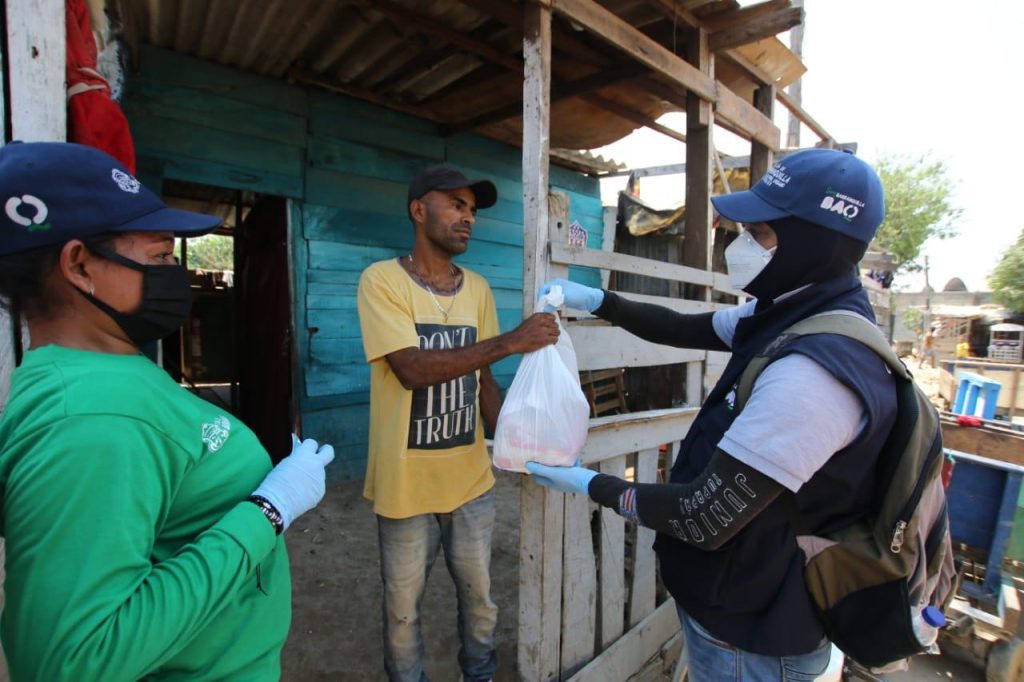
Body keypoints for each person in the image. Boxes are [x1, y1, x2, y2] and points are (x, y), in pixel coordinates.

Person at [528, 149, 894, 681]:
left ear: (816, 242)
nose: (740, 243)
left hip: (757, 636)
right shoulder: (783, 312)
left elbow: (704, 516)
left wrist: (588, 484)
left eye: (761, 233)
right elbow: (682, 327)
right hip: (732, 605)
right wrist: (598, 300)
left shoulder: (816, 374)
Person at [0, 141, 335, 681]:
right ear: (80, 265)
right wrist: (269, 510)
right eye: (159, 258)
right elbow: (74, 661)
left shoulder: (102, 373)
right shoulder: (92, 421)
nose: (174, 273)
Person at [356, 166, 560, 682]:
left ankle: (481, 675)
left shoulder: (479, 290)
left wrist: (518, 447)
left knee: (481, 604)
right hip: (406, 487)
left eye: (472, 209)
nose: (468, 217)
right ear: (418, 210)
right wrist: (512, 340)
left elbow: (484, 380)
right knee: (402, 614)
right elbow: (411, 369)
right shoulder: (382, 280)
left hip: (470, 483)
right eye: (456, 204)